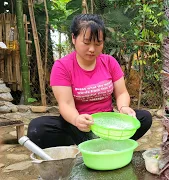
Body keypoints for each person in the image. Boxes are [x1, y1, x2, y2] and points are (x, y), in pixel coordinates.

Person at [27, 14, 152, 149]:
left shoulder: (110, 62)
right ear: (73, 38)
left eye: (98, 43)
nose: (92, 49)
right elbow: (66, 104)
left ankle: (103, 141)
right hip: (79, 124)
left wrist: (123, 108)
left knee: (144, 118)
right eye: (86, 43)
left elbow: (121, 93)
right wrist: (76, 120)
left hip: (107, 122)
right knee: (37, 129)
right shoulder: (62, 66)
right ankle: (100, 142)